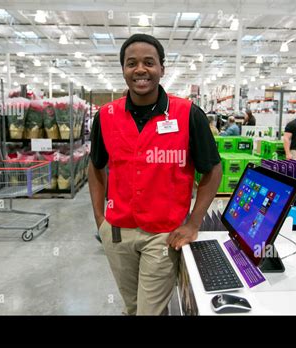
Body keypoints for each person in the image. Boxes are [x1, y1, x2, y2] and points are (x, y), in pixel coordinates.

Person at [88, 33, 222, 315]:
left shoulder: (187, 114)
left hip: (162, 234)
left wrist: (193, 223)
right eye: (131, 63)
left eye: (149, 62)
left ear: (162, 68)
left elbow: (212, 169)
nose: (140, 69)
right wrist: (100, 217)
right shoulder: (106, 116)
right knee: (134, 306)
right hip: (116, 232)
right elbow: (96, 165)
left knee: (150, 311)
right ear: (123, 69)